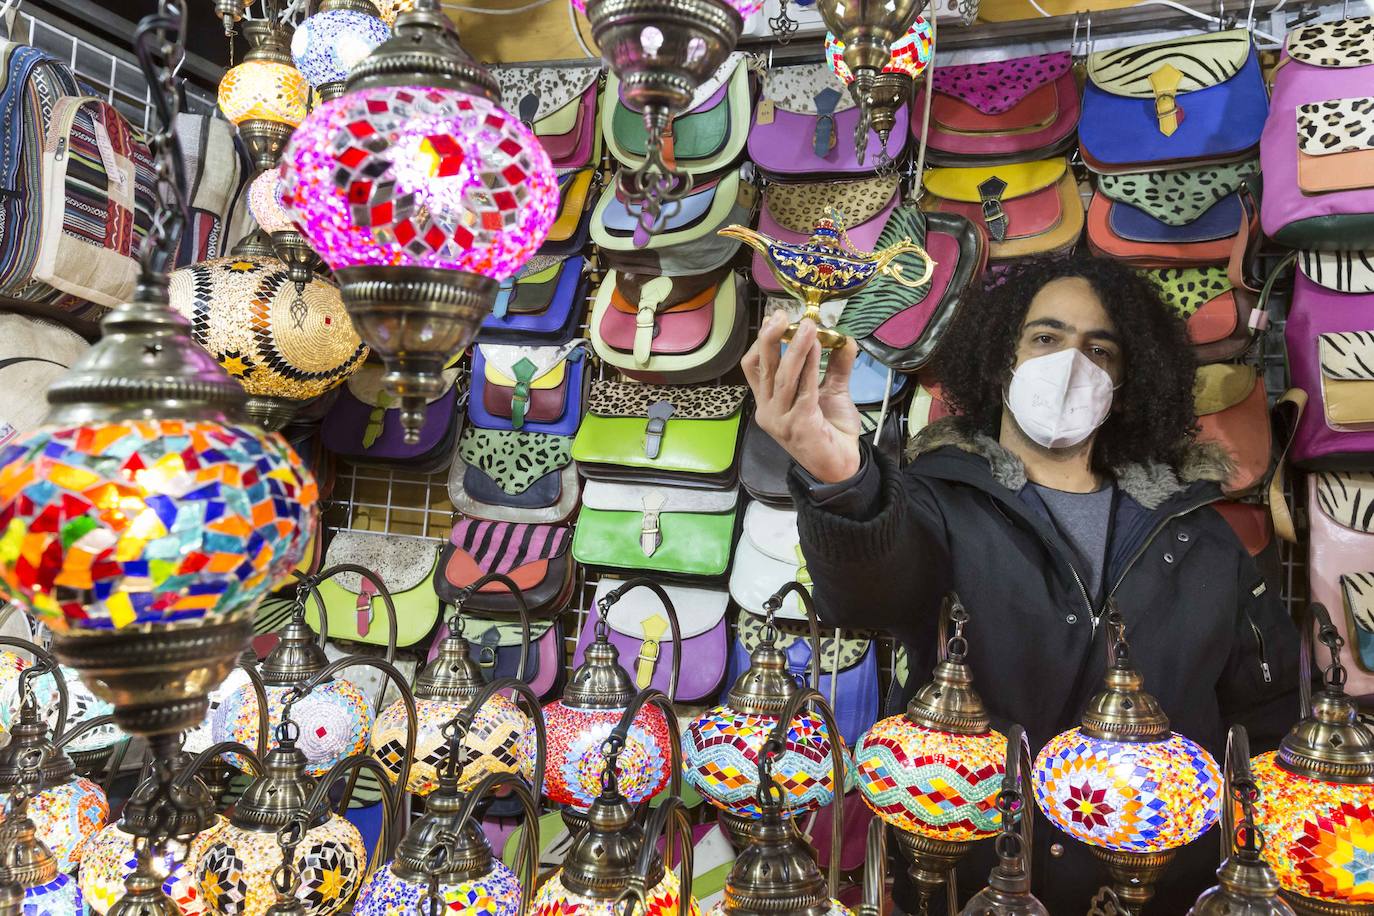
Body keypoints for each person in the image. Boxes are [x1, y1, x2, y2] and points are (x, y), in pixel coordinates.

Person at [742, 255, 1301, 914]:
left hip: (1162, 890)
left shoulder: (1200, 534)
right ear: (1003, 357)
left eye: (1101, 349)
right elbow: (871, 591)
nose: (1071, 363)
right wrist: (843, 478)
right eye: (1046, 337)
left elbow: (1266, 723)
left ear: (1127, 380)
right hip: (969, 881)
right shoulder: (936, 503)